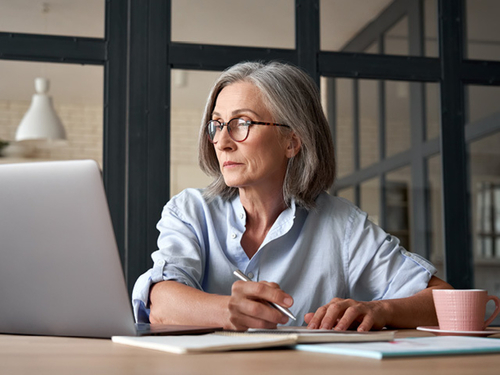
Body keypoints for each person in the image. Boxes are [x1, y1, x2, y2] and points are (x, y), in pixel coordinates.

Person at [132, 61, 452, 331]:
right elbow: (160, 302)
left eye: (241, 123)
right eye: (217, 125)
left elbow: (446, 301)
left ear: (292, 141)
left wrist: (381, 311)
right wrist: (229, 311)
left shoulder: (343, 225)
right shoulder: (190, 210)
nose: (223, 141)